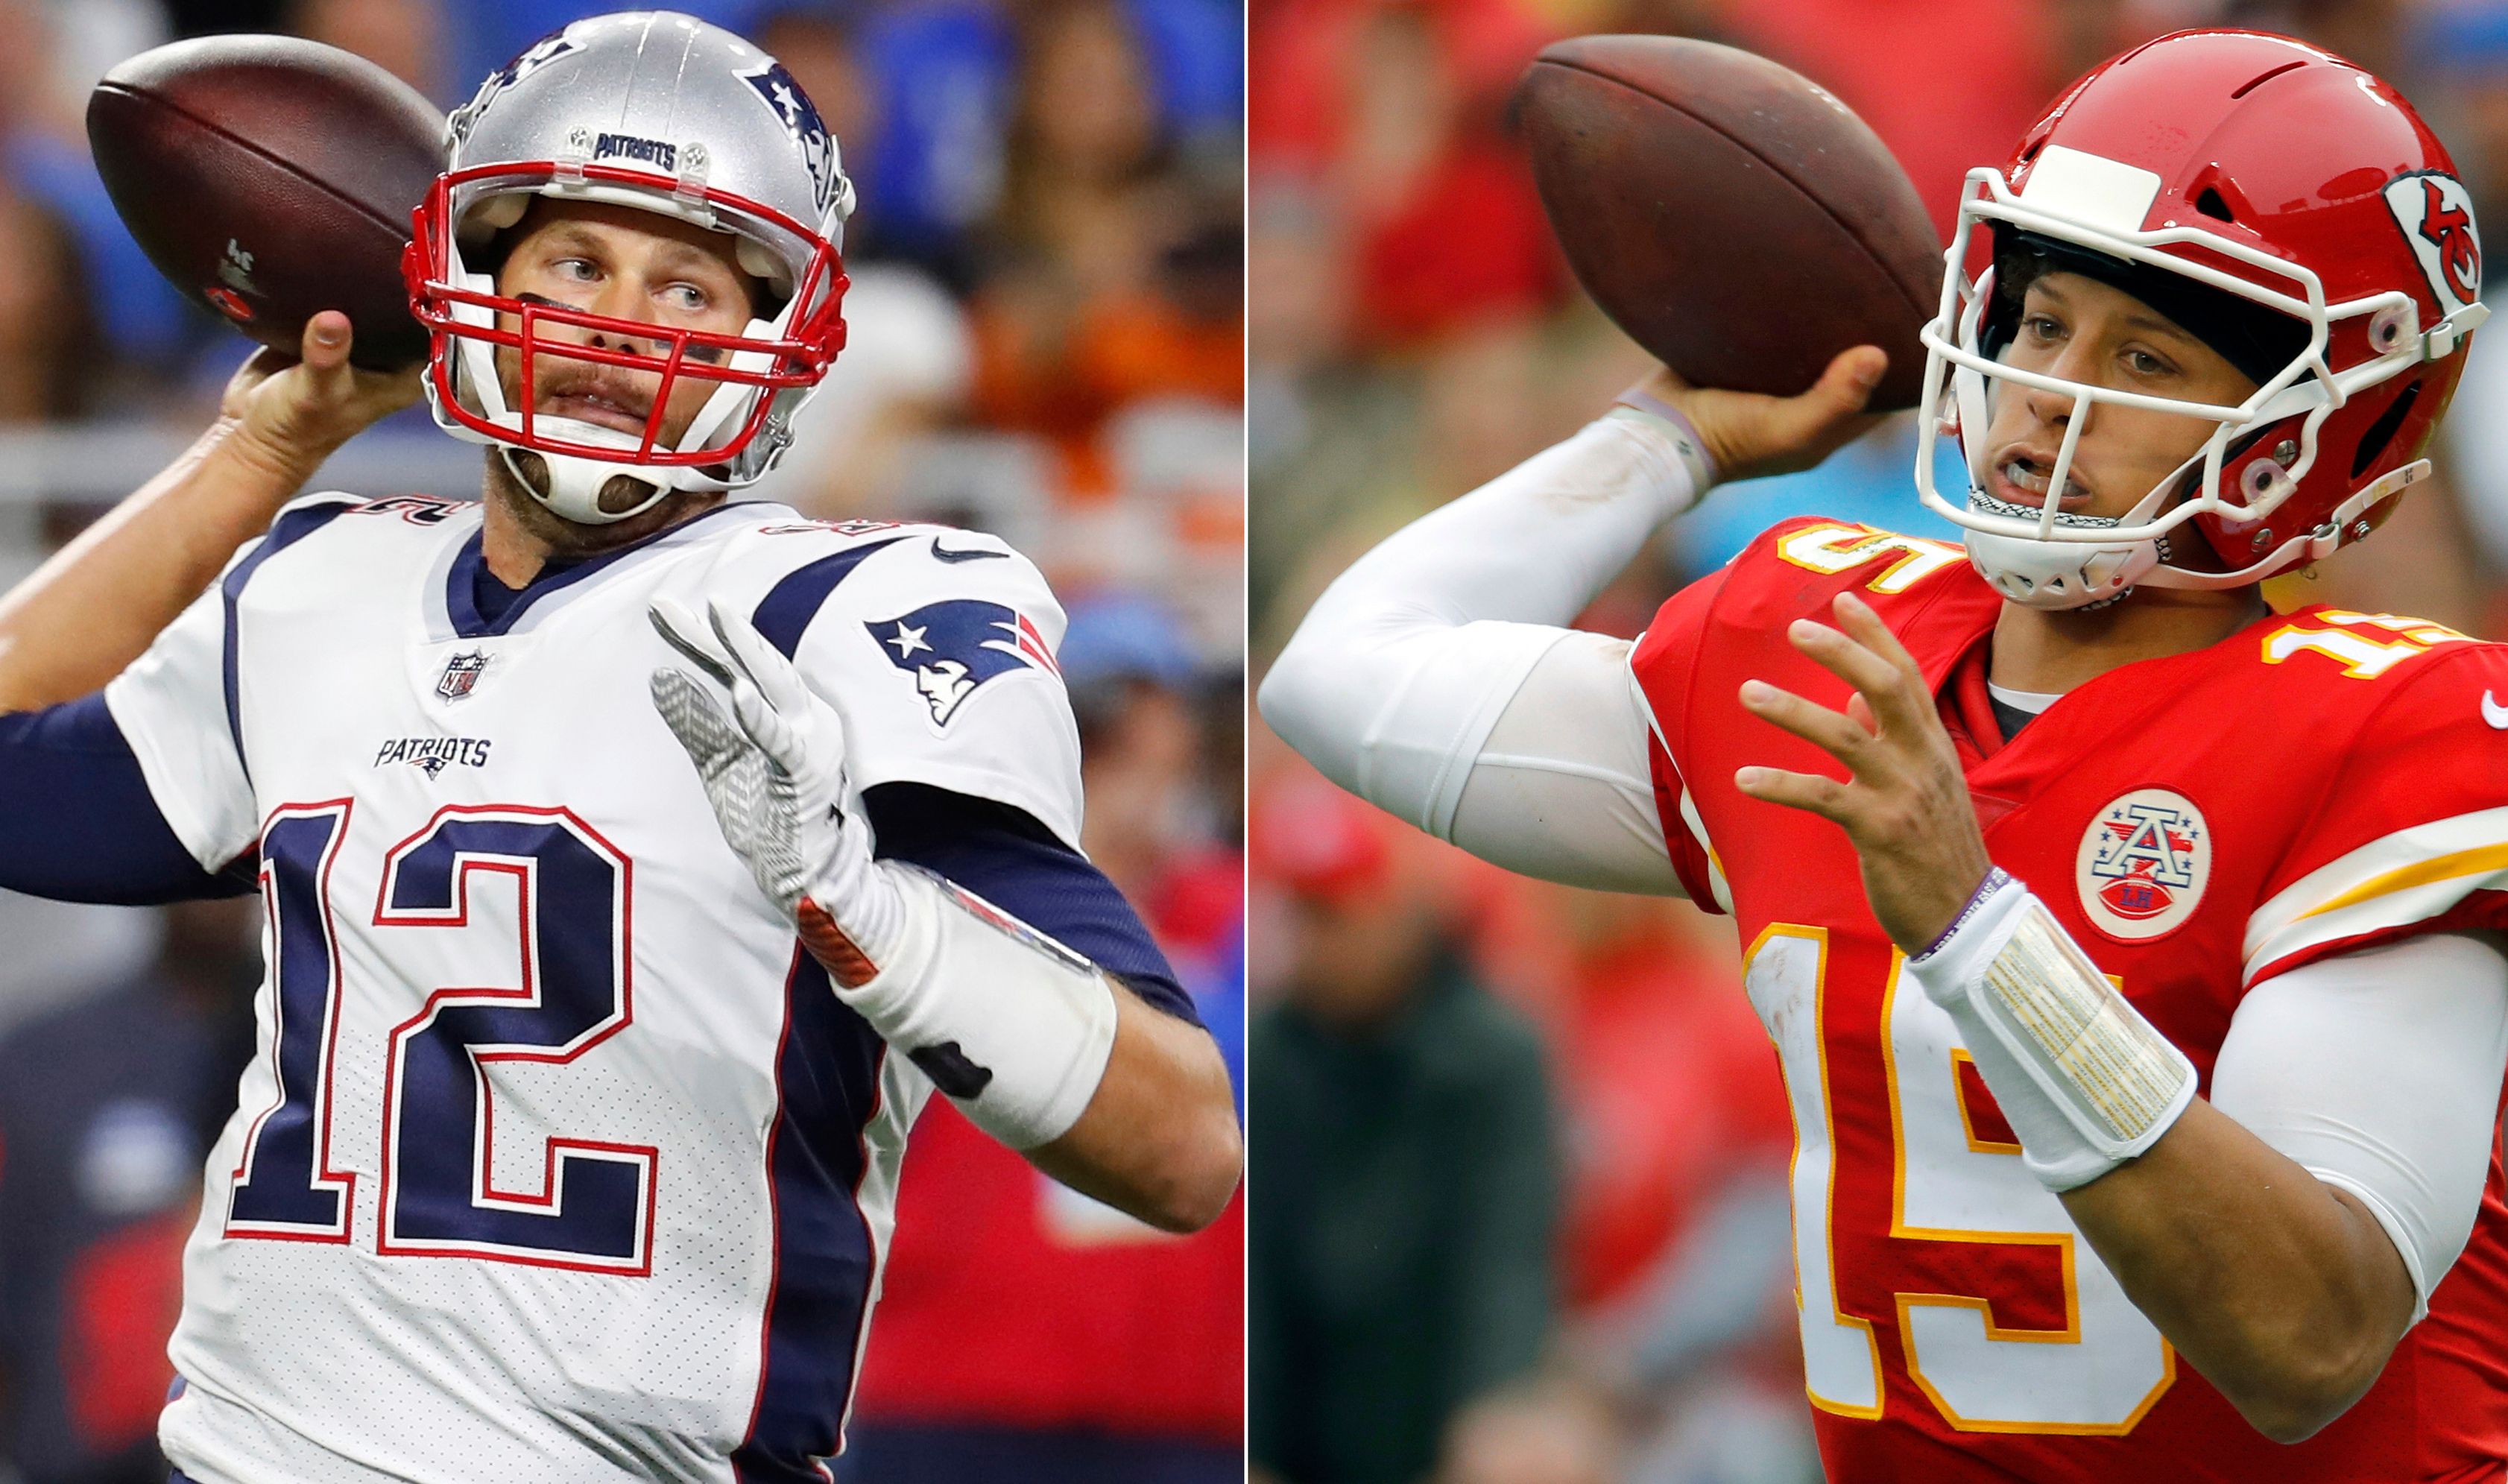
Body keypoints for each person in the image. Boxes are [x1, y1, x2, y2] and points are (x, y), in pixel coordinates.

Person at [0, 13, 1239, 1483]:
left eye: (687, 282)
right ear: (466, 280)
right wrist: (258, 455)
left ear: (782, 335)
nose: (619, 322)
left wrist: (882, 924)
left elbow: (1185, 1153)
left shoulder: (864, 614)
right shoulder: (318, 583)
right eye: (578, 263)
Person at [1263, 28, 2508, 1480]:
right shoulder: (1833, 640)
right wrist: (1666, 442)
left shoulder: (2391, 731)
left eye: (2148, 353)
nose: (2051, 386)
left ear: (2322, 436)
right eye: (2042, 324)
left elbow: (2310, 1339)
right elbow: (1343, 675)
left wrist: (1981, 936)